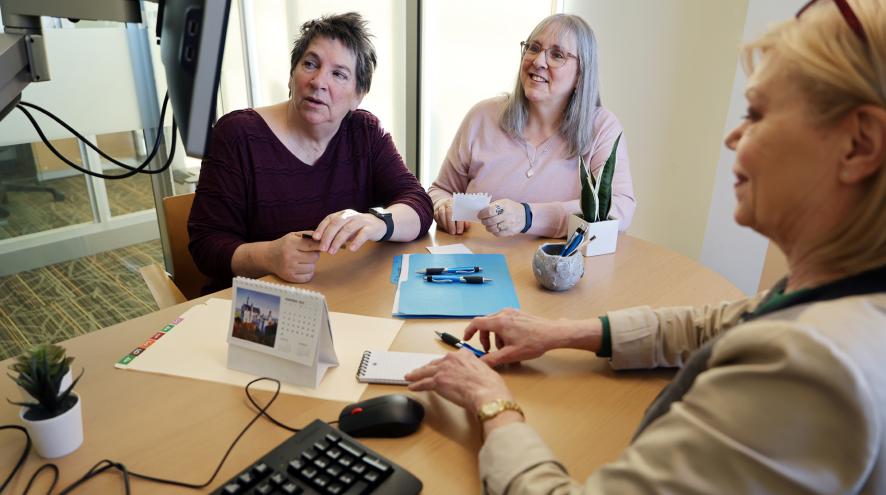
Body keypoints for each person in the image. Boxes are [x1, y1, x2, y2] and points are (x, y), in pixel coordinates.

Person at [407, 0, 886, 492]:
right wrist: (563, 333)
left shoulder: (810, 367)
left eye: (757, 113)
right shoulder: (834, 296)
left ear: (859, 146)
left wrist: (493, 402)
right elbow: (709, 325)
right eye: (532, 47)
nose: (733, 137)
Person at [189, 12, 433, 293]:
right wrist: (269, 256)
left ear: (358, 96)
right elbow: (205, 244)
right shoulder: (237, 135)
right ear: (292, 75)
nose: (319, 82)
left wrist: (378, 222)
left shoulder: (364, 132)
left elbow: (419, 204)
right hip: (257, 306)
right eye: (310, 64)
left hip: (342, 293)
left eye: (339, 74)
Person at [428, 14, 635, 238]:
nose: (538, 61)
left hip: (554, 270)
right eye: (533, 48)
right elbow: (440, 190)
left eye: (557, 55)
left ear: (580, 75)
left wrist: (528, 217)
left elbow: (620, 209)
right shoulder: (482, 116)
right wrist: (443, 206)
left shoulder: (602, 127)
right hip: (476, 264)